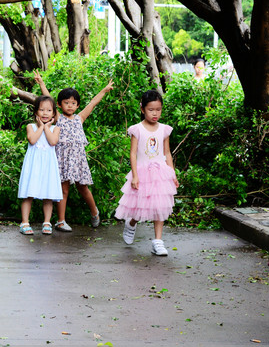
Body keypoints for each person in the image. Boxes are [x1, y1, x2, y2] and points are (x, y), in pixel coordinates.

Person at [34, 70, 113, 232]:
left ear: (77, 105)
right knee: (63, 189)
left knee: (83, 187)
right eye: (66, 102)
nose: (70, 105)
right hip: (62, 159)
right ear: (59, 105)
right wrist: (41, 83)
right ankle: (61, 221)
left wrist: (104, 90)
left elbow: (92, 104)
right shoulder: (57, 118)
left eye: (73, 103)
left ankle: (94, 212)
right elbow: (47, 98)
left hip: (78, 160)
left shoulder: (80, 118)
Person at [114, 90, 179, 256]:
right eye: (151, 110)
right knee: (139, 208)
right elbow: (133, 153)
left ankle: (158, 241)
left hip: (160, 173)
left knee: (160, 206)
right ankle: (131, 223)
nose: (155, 113)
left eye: (158, 109)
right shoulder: (137, 129)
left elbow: (167, 153)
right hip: (142, 173)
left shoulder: (164, 129)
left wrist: (172, 174)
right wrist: (135, 176)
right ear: (142, 109)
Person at [17, 95, 63, 236]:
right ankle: (24, 222)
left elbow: (52, 142)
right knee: (28, 194)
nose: (45, 113)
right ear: (36, 112)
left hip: (48, 165)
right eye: (41, 110)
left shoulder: (55, 128)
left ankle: (47, 222)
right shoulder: (30, 127)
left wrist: (46, 127)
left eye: (49, 110)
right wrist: (41, 127)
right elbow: (32, 140)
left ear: (54, 113)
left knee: (48, 195)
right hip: (33, 164)